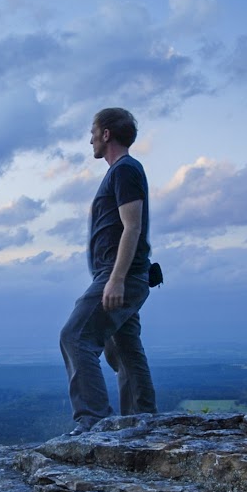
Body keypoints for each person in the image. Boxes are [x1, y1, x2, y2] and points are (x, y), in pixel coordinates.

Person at [60, 107, 156, 432]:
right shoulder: (122, 171)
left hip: (119, 276)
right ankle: (139, 421)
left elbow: (132, 227)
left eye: (92, 132)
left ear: (105, 134)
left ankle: (92, 421)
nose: (89, 140)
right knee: (124, 349)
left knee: (75, 336)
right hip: (123, 275)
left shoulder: (125, 170)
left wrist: (115, 279)